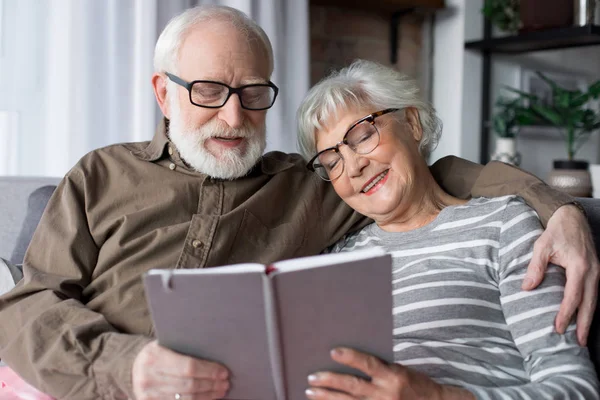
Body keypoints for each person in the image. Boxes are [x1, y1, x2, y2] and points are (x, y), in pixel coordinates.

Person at [0, 5, 597, 400]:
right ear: (164, 92)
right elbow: (23, 308)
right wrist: (127, 368)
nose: (234, 116)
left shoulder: (314, 186)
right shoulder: (101, 175)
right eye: (209, 92)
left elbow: (430, 177)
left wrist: (560, 207)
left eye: (253, 94)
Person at [296, 60, 599, 399]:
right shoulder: (334, 260)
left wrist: (439, 397)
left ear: (411, 123)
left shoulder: (502, 225)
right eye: (332, 161)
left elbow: (575, 387)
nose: (353, 167)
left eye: (364, 136)